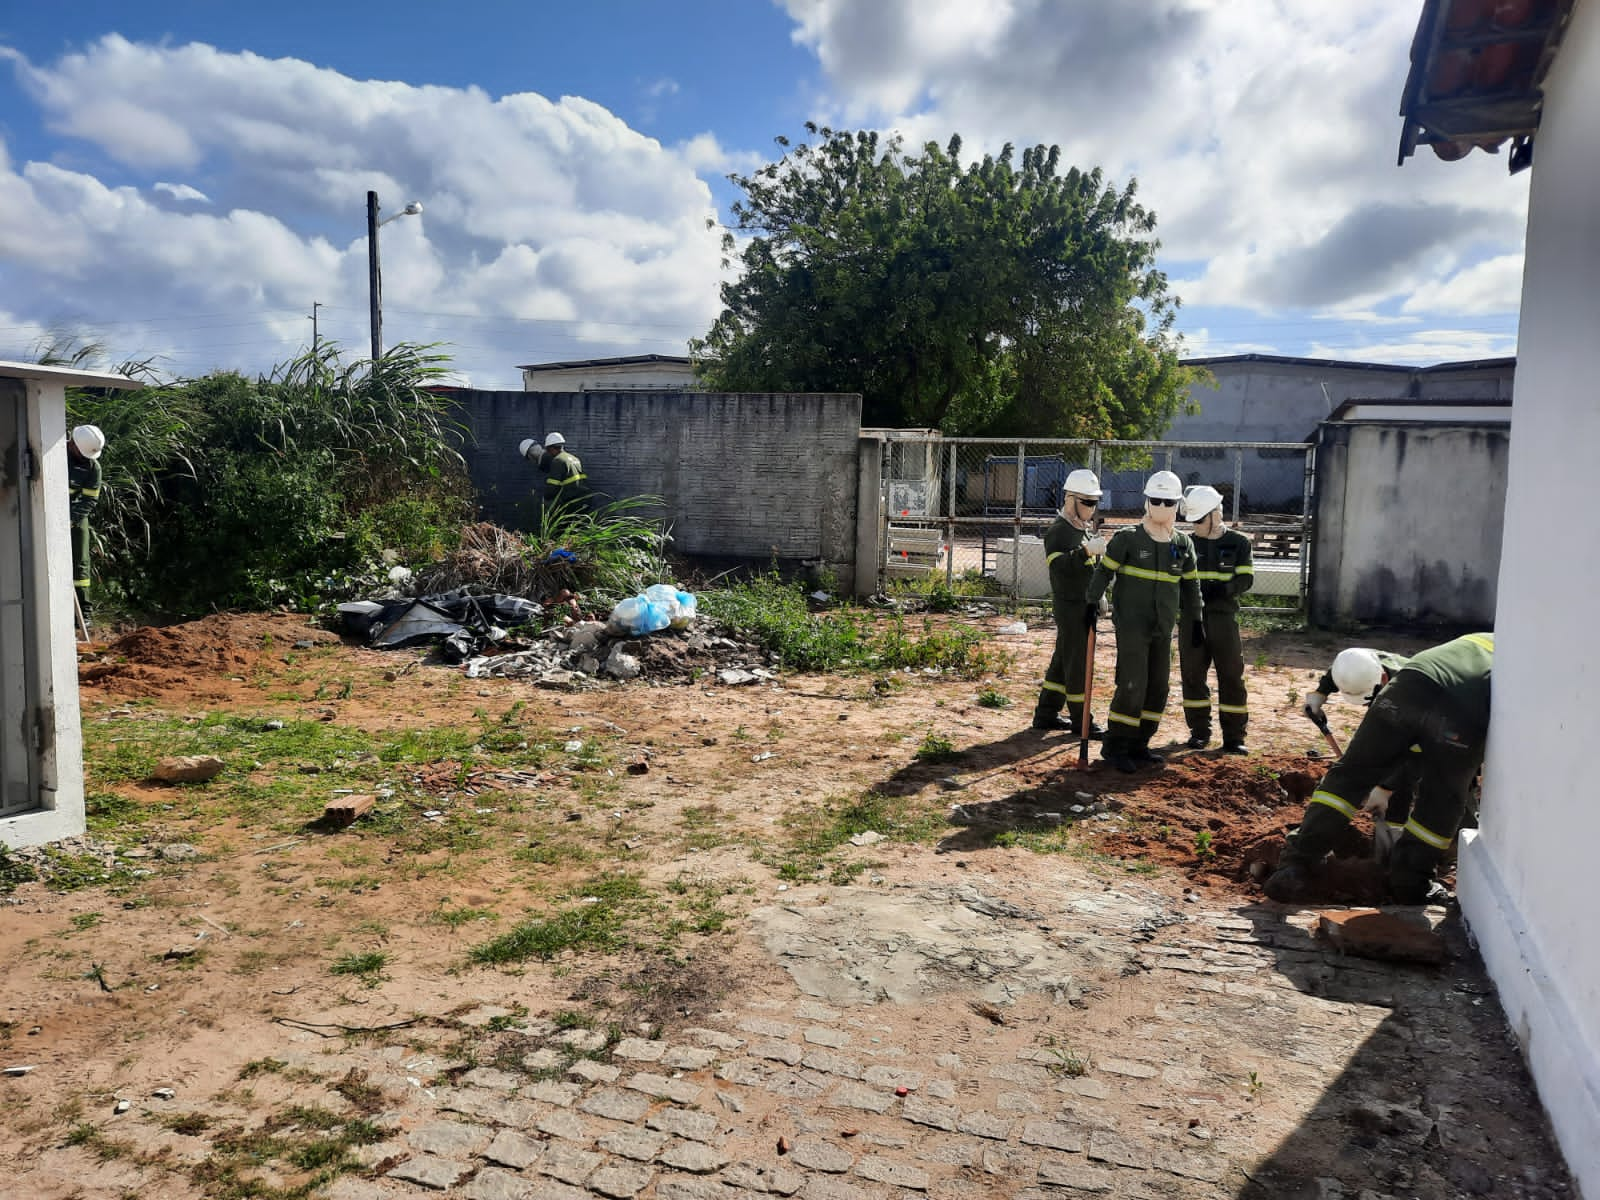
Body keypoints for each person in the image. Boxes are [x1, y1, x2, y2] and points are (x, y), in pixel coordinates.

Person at [1265, 632, 1493, 904]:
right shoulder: (1518, 659)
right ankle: (1411, 882)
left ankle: (1297, 863)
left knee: (1349, 776)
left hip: (1406, 688)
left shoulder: (1476, 641)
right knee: (1442, 798)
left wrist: (1385, 785)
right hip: (1461, 711)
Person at [1087, 470, 1202, 773]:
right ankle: (1116, 746)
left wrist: (1197, 620)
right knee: (1132, 685)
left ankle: (1140, 744)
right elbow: (1104, 572)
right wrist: (1092, 600)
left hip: (1163, 628)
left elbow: (1191, 586)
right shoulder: (1127, 538)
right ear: (1148, 501)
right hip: (1133, 626)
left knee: (1158, 687)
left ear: (1178, 504)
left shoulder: (1182, 544)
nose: (1163, 506)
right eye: (1157, 500)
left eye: (1169, 501)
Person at [1176, 485, 1254, 753]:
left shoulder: (1239, 543)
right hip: (1192, 619)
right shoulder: (1183, 543)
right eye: (1193, 521)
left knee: (1231, 675)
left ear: (1215, 515)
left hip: (1223, 619)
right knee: (1193, 675)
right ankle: (1199, 732)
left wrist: (1223, 589)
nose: (1195, 526)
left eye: (1199, 520)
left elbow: (1246, 578)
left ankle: (1234, 737)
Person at [1031, 469, 1108, 736]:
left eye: (1094, 502)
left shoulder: (1081, 530)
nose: (1091, 507)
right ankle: (1081, 720)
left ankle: (1046, 714)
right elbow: (1060, 567)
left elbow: (1088, 570)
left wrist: (1099, 593)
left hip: (1084, 603)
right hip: (1071, 605)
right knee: (1078, 663)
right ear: (1070, 499)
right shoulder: (1060, 531)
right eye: (1086, 502)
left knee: (1064, 658)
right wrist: (1086, 551)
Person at [67, 424, 105, 629]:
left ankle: (84, 614)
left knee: (80, 563)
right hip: (46, 512)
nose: (85, 458)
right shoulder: (56, 455)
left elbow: (90, 500)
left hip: (76, 516)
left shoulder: (92, 467)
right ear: (72, 443)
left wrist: (71, 520)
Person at [519, 432, 588, 521]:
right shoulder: (574, 458)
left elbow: (552, 489)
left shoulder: (557, 460)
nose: (547, 451)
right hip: (585, 498)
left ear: (551, 448)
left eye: (548, 449)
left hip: (573, 501)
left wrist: (544, 499)